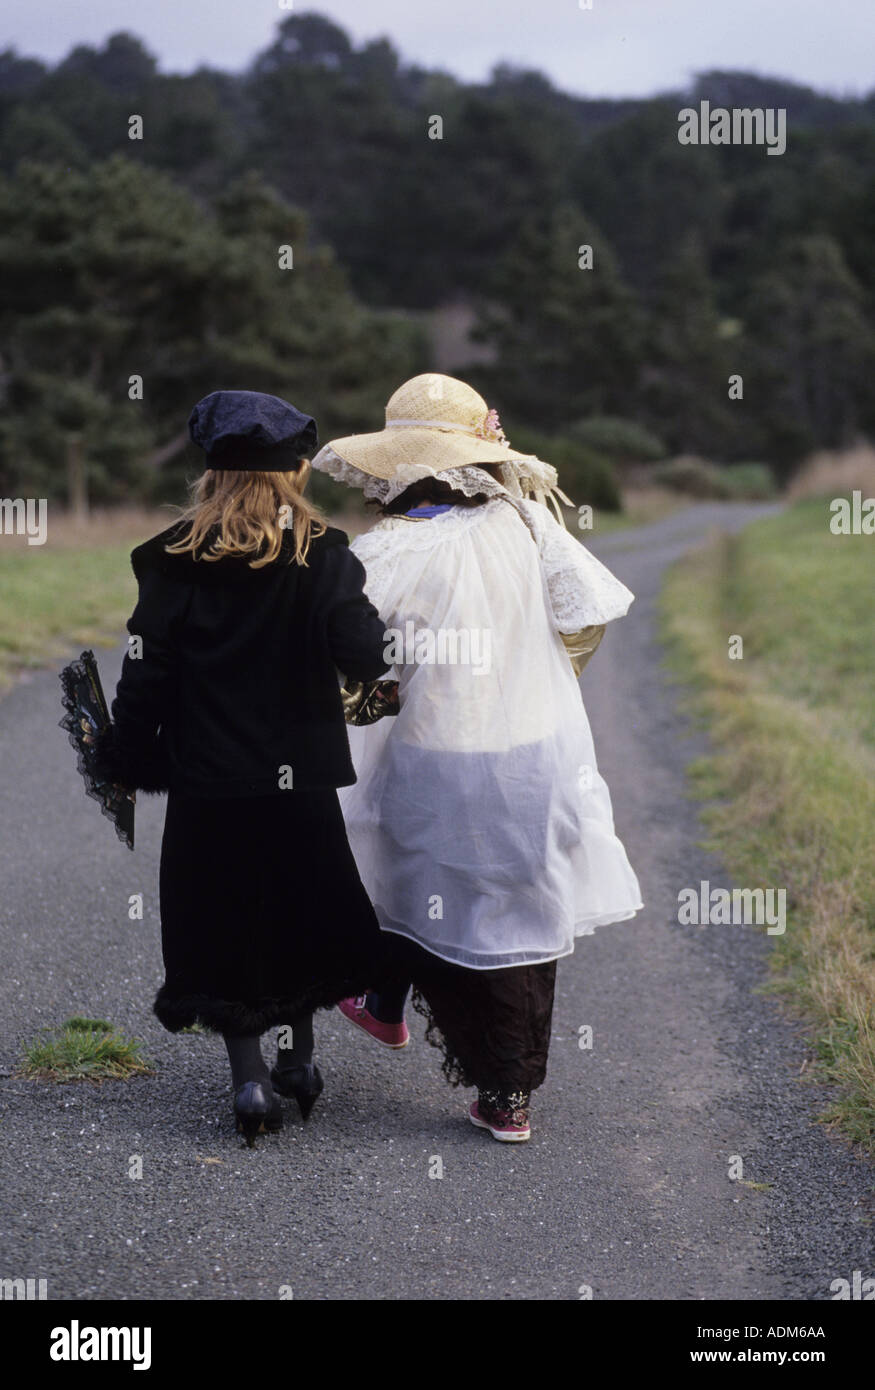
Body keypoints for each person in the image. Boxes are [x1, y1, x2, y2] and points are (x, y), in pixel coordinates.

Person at [313, 373, 643, 1142]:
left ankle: (394, 1010)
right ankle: (506, 1095)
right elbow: (585, 614)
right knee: (515, 901)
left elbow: (361, 663)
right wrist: (527, 679)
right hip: (539, 751)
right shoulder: (525, 522)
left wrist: (370, 708)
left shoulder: (386, 552)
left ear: (396, 463)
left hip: (442, 755)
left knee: (411, 876)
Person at [94, 390, 390, 1145]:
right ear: (294, 470)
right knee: (298, 911)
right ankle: (299, 1065)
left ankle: (249, 1081)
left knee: (223, 920)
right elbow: (363, 654)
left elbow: (145, 672)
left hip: (208, 782)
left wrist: (126, 756)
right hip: (301, 781)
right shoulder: (323, 553)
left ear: (210, 473)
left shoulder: (166, 558)